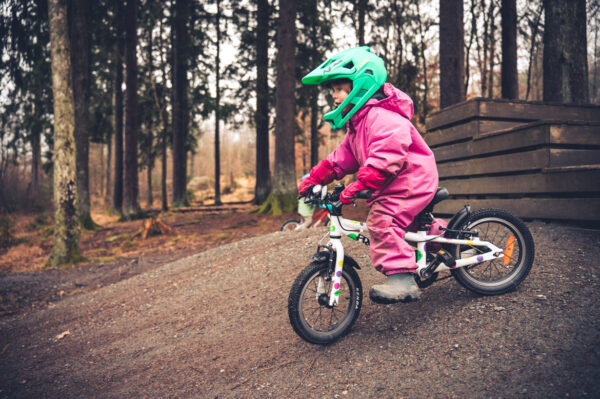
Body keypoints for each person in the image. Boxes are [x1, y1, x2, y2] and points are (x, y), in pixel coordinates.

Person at [298, 46, 446, 304]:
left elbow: (385, 159)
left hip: (411, 180)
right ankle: (447, 240)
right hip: (395, 183)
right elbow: (340, 160)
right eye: (333, 90)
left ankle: (402, 279)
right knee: (408, 225)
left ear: (361, 84)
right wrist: (314, 178)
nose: (334, 97)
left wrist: (358, 185)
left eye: (340, 89)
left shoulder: (382, 118)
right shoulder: (358, 126)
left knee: (382, 222)